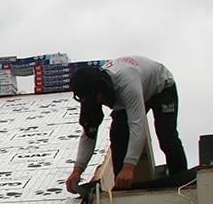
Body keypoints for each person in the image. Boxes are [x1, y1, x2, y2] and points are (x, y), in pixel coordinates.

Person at [66, 56, 187, 192]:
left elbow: (137, 125)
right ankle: (121, 185)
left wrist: (129, 167)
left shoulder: (126, 84)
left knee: (166, 136)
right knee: (118, 136)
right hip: (132, 92)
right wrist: (77, 170)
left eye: (96, 98)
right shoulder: (89, 94)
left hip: (161, 88)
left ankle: (181, 178)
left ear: (101, 89)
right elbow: (89, 132)